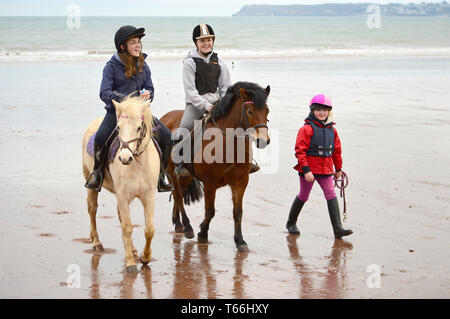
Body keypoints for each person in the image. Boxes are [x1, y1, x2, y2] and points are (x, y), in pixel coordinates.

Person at [85, 25, 173, 193]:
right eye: (133, 42)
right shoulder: (110, 67)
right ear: (122, 46)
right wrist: (126, 101)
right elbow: (104, 93)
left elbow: (150, 89)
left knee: (168, 137)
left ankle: (161, 175)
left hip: (141, 114)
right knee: (101, 138)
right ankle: (97, 174)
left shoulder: (144, 65)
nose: (138, 45)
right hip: (117, 113)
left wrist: (148, 95)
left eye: (139, 42)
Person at [173, 23, 259, 179]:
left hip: (217, 103)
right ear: (196, 43)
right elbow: (190, 91)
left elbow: (226, 86)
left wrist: (224, 103)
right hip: (195, 105)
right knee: (183, 130)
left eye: (209, 40)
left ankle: (247, 160)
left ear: (213, 41)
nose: (206, 43)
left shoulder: (219, 61)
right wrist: (206, 106)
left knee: (239, 122)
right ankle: (181, 165)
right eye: (202, 40)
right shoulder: (189, 63)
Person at [287, 94, 353, 238]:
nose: (321, 112)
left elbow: (337, 151)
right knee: (304, 195)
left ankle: (338, 229)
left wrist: (339, 169)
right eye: (318, 110)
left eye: (324, 110)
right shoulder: (306, 129)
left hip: (326, 169)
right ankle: (291, 223)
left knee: (331, 194)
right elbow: (300, 151)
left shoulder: (332, 130)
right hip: (308, 171)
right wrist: (306, 170)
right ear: (312, 111)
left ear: (329, 111)